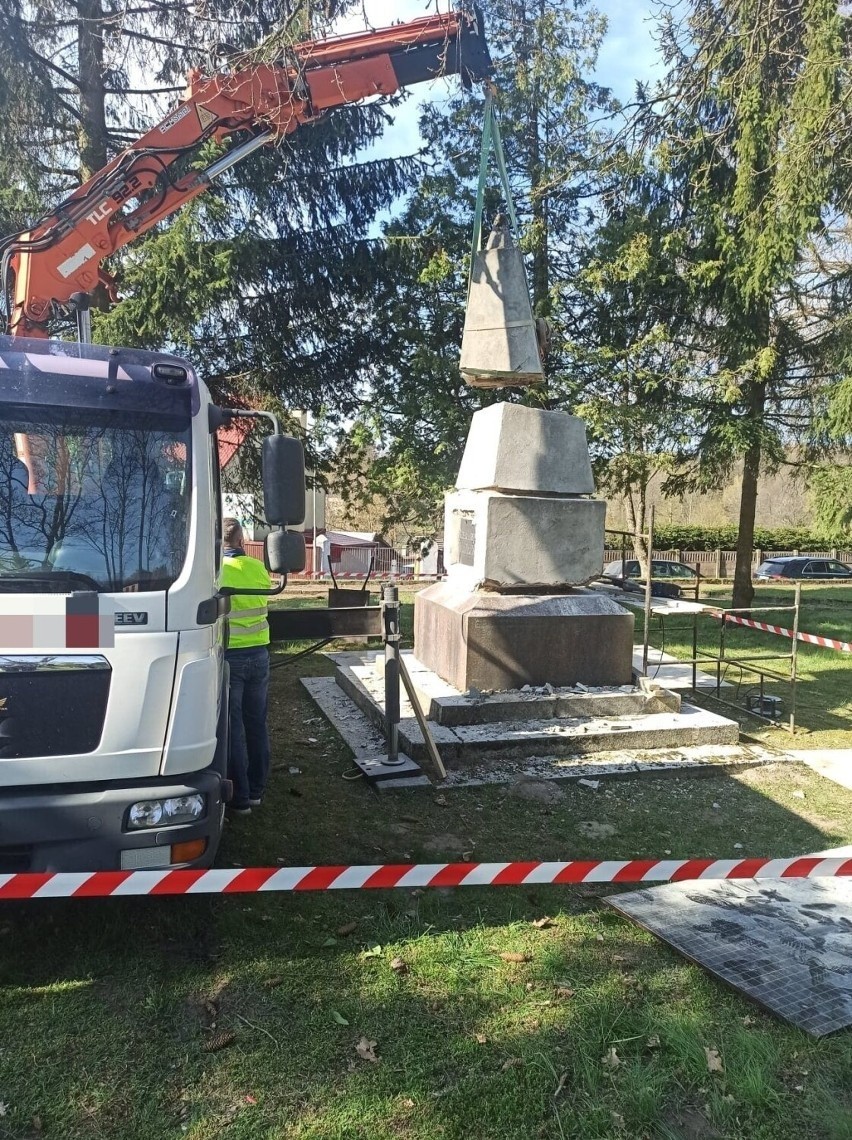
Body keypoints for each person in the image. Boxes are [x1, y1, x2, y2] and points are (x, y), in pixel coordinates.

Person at [220, 517, 272, 814]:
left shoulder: (216, 572)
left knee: (233, 727)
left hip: (230, 659)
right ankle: (256, 790)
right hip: (259, 656)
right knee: (257, 724)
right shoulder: (258, 568)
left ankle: (238, 798)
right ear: (241, 542)